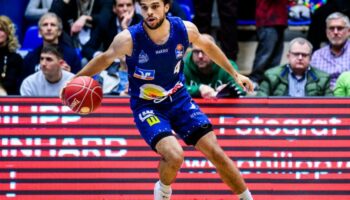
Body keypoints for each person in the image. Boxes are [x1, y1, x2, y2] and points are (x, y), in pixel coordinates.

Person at [61, 0, 254, 199]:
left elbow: (208, 46)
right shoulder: (128, 39)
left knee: (216, 152)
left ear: (166, 7)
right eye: (144, 7)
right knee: (175, 155)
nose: (150, 12)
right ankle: (163, 190)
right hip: (148, 106)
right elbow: (103, 59)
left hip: (179, 99)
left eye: (155, 6)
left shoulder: (184, 29)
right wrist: (74, 80)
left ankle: (246, 197)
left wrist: (235, 74)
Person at [257, 37, 333, 97]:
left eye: (304, 55)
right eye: (296, 54)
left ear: (310, 58)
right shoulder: (271, 76)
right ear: (288, 56)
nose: (300, 58)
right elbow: (260, 102)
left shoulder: (323, 78)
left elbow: (330, 106)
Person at [22, 12, 82, 82]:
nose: (49, 28)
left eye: (53, 25)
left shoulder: (72, 55)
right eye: (45, 25)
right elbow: (24, 84)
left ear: (59, 31)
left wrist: (68, 75)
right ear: (39, 32)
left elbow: (79, 84)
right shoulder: (30, 57)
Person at [184, 33, 244, 98]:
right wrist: (198, 89)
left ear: (214, 52)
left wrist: (229, 89)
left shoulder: (228, 66)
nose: (200, 56)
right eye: (196, 52)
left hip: (221, 107)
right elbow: (174, 89)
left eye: (204, 51)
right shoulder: (183, 66)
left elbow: (241, 88)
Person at [249, 0, 288, 86]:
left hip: (280, 20)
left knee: (276, 57)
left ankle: (270, 82)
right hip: (267, 19)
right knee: (264, 55)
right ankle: (254, 81)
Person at [310, 12, 350, 90]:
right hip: (324, 99)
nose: (335, 32)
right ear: (326, 32)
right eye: (331, 28)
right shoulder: (317, 56)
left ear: (348, 31)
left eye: (340, 28)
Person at [49, 0, 114, 47]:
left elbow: (105, 18)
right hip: (71, 41)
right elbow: (52, 18)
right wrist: (63, 1)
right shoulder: (70, 2)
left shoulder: (104, 1)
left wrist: (85, 18)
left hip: (96, 43)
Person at [0, 15, 23, 95]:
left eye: (1, 30)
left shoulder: (16, 59)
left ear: (8, 33)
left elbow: (11, 84)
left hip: (8, 100)